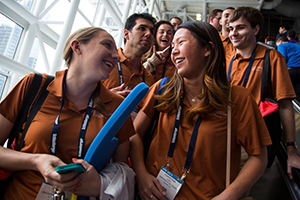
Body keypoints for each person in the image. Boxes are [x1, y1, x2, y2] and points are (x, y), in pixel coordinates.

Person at [130, 21, 271, 200]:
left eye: (181, 43)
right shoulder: (162, 89)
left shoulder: (237, 99)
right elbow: (134, 134)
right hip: (156, 195)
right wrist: (142, 176)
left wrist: (228, 196)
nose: (174, 50)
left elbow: (258, 157)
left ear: (207, 49)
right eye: (173, 45)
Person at [0, 27, 135, 199]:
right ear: (77, 47)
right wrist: (35, 161)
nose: (116, 55)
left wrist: (99, 184)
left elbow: (121, 171)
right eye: (107, 45)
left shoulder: (117, 106)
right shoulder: (34, 87)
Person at [227, 7, 300, 178]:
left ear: (256, 29)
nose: (233, 33)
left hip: (253, 141)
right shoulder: (227, 58)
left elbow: (285, 104)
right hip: (225, 136)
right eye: (231, 29)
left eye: (240, 27)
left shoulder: (272, 58)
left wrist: (291, 149)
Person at [102, 13, 156, 97]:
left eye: (152, 31)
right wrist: (106, 98)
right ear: (126, 34)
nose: (148, 34)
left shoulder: (148, 79)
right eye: (142, 28)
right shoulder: (104, 62)